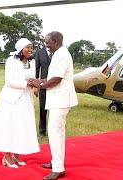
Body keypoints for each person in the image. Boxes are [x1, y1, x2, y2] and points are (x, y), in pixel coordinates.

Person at [30, 31, 78, 180]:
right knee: (58, 133)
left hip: (61, 100)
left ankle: (58, 169)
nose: (46, 45)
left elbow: (56, 79)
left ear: (56, 41)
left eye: (48, 42)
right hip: (58, 99)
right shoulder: (58, 53)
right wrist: (40, 80)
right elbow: (52, 77)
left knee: (55, 133)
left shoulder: (62, 55)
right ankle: (56, 162)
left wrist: (40, 84)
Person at [0, 38, 40, 168]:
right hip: (11, 100)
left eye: (31, 47)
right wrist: (27, 83)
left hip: (26, 99)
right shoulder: (11, 60)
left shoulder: (32, 62)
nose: (30, 50)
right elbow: (9, 81)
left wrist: (36, 85)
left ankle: (17, 155)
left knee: (22, 127)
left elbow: (32, 78)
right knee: (9, 127)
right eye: (28, 47)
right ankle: (7, 156)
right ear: (21, 49)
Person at [35, 35, 52, 137]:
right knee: (42, 108)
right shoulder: (40, 52)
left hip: (55, 85)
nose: (47, 43)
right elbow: (36, 69)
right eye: (46, 41)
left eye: (49, 41)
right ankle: (42, 130)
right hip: (43, 85)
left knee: (54, 109)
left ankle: (52, 130)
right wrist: (36, 86)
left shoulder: (58, 53)